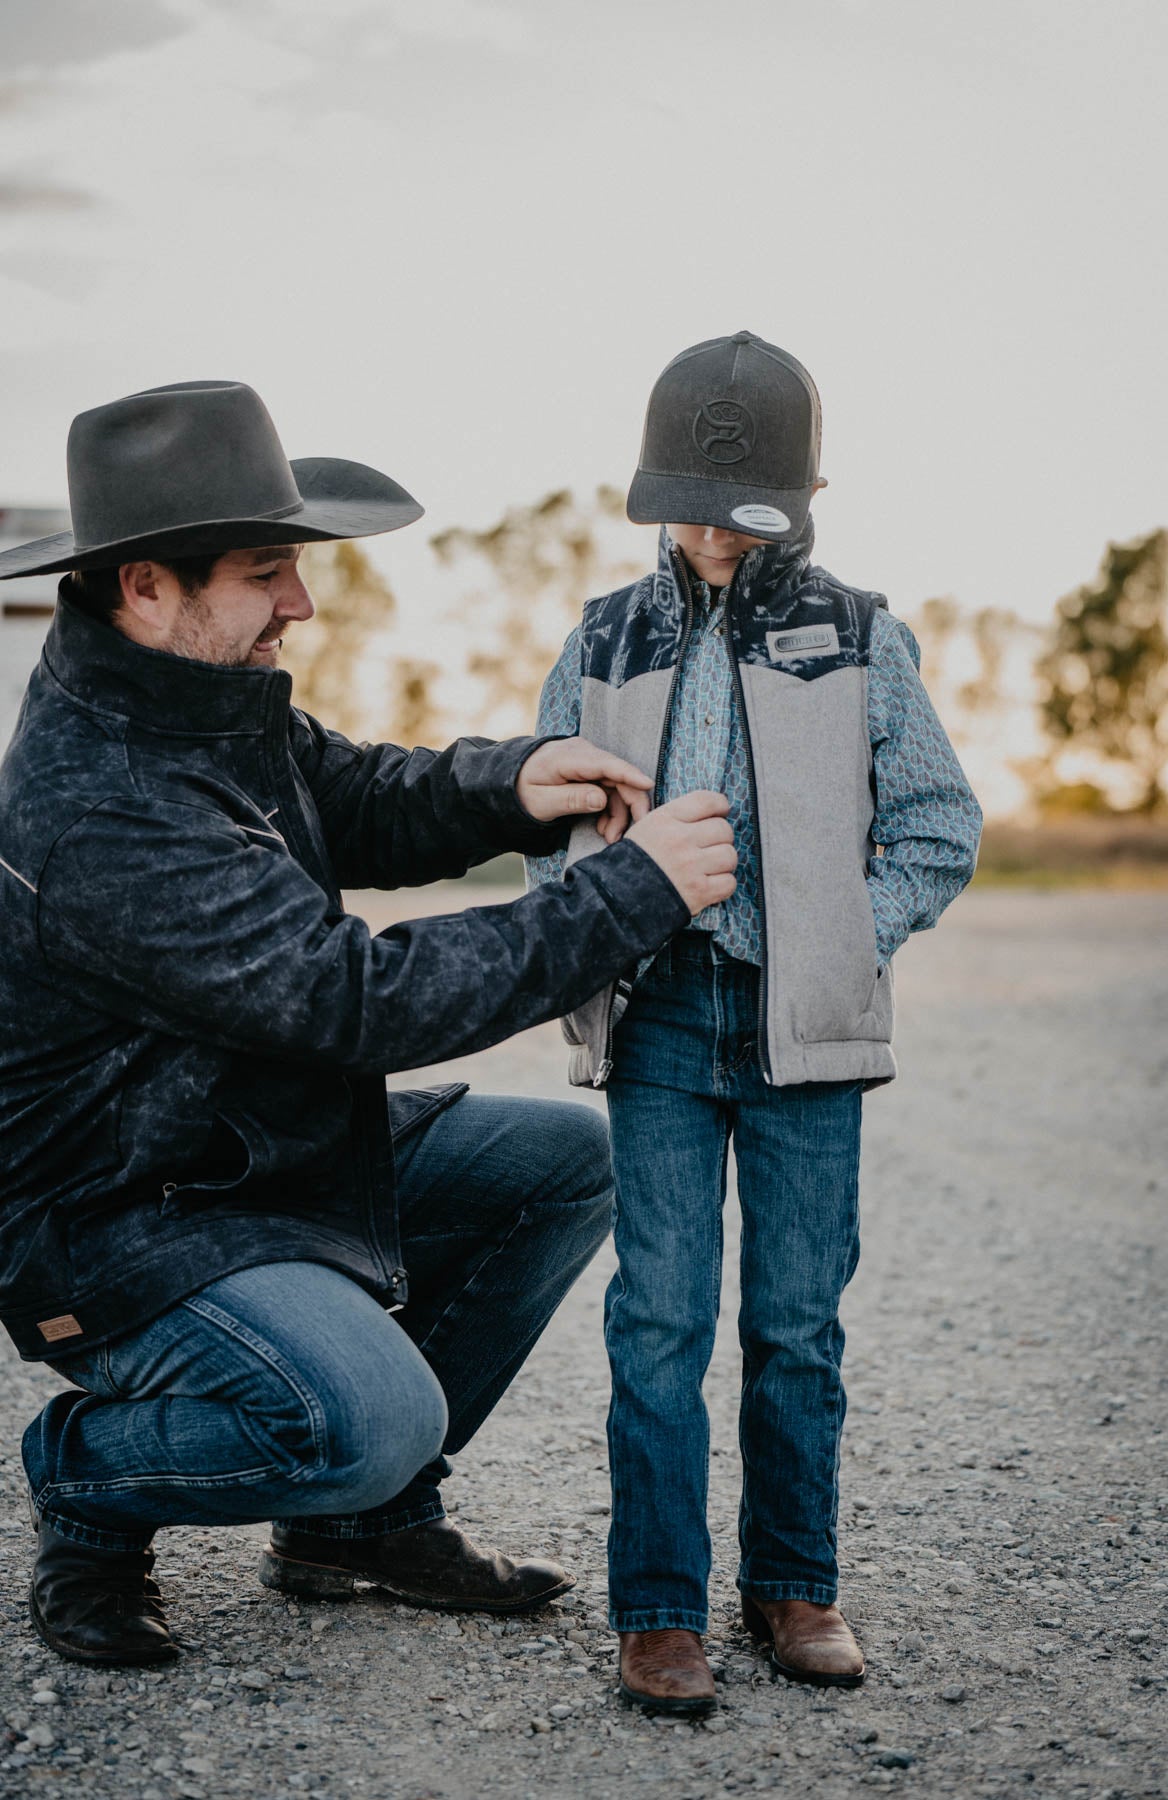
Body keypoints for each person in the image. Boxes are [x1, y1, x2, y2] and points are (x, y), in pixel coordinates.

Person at [0, 378, 738, 1668]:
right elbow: (356, 998)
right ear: (145, 589)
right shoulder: (101, 808)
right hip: (120, 1218)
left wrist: (510, 782)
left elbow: (357, 796)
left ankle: (358, 1533)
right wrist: (635, 892)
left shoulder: (203, 697)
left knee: (564, 1166)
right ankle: (90, 1480)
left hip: (244, 1151)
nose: (299, 600)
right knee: (363, 1420)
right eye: (266, 571)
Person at [528, 331, 984, 1713]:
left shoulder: (859, 635)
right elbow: (546, 824)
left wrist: (851, 933)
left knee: (796, 1324)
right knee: (657, 1320)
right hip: (659, 1018)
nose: (717, 533)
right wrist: (587, 917)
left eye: (747, 509)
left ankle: (796, 1586)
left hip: (806, 1038)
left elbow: (936, 824)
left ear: (803, 495)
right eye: (695, 504)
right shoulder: (603, 636)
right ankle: (658, 1609)